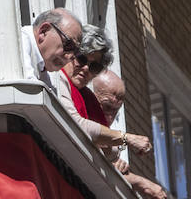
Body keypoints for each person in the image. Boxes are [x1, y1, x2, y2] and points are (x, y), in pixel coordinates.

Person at [55, 27, 152, 158]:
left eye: (94, 66)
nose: (85, 68)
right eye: (82, 59)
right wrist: (125, 138)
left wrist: (111, 141)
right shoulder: (57, 77)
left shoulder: (89, 99)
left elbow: (110, 152)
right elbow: (76, 124)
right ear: (70, 55)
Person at [86, 69, 169, 199]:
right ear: (88, 95)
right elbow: (89, 167)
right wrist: (140, 182)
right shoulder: (78, 112)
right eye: (106, 107)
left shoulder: (112, 148)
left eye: (115, 111)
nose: (110, 118)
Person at [19, 8, 84, 97]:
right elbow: (30, 92)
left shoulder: (43, 65)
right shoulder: (19, 42)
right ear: (44, 31)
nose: (69, 57)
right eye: (69, 45)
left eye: (76, 53)